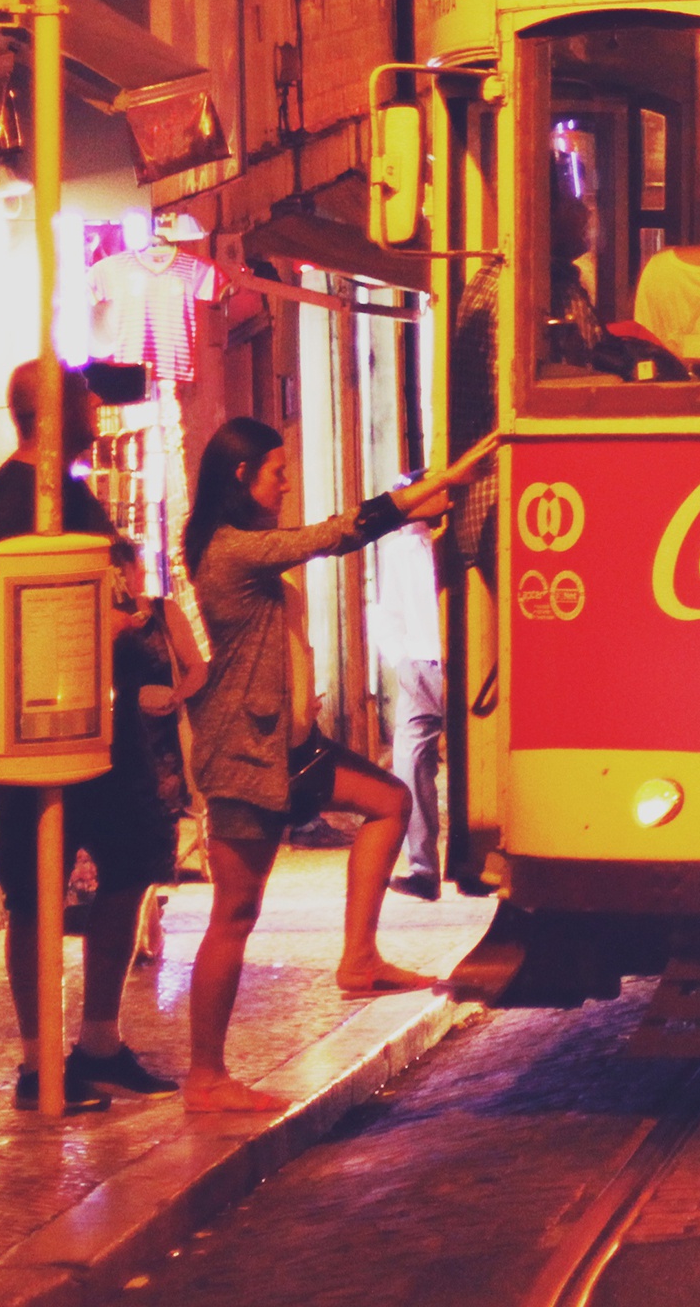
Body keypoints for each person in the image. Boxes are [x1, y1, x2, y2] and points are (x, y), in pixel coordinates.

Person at [181, 420, 475, 1112]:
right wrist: (405, 502)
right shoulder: (231, 552)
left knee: (390, 802)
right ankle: (205, 1078)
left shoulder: (242, 548)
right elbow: (328, 538)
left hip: (288, 745)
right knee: (235, 910)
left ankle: (360, 959)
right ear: (241, 476)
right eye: (276, 470)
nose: (285, 480)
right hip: (243, 753)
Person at [0, 365, 197, 1112]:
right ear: (54, 414)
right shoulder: (8, 500)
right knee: (32, 891)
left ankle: (98, 1042)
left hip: (106, 722)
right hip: (35, 726)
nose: (99, 404)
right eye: (86, 395)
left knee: (130, 868)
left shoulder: (77, 495)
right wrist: (84, 616)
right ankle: (37, 1067)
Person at [374, 526, 446, 901]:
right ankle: (423, 870)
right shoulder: (400, 550)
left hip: (465, 662)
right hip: (418, 665)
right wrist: (400, 660)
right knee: (410, 764)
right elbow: (389, 611)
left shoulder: (453, 538)